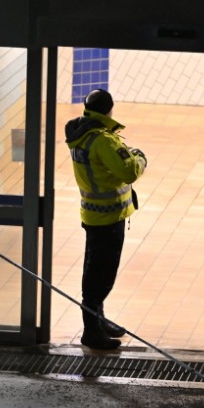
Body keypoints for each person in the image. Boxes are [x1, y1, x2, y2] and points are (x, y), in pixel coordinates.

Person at [64, 89, 147, 350]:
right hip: (108, 217)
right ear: (109, 110)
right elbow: (129, 171)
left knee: (96, 272)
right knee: (100, 276)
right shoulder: (102, 140)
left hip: (94, 214)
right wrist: (140, 157)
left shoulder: (82, 134)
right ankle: (92, 331)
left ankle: (97, 321)